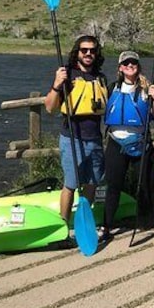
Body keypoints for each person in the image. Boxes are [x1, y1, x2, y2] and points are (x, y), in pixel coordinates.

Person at [101, 50, 154, 243]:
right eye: (126, 63)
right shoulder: (111, 88)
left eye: (134, 63)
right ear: (120, 68)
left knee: (150, 185)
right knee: (113, 186)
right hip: (116, 142)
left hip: (139, 143)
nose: (130, 66)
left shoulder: (146, 89)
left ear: (138, 67)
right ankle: (106, 226)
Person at [44, 35, 108, 225]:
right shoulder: (67, 75)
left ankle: (84, 220)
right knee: (71, 184)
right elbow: (49, 107)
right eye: (84, 50)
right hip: (72, 137)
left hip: (94, 138)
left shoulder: (101, 78)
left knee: (92, 182)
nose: (89, 54)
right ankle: (64, 224)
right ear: (77, 52)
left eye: (92, 51)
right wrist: (56, 85)